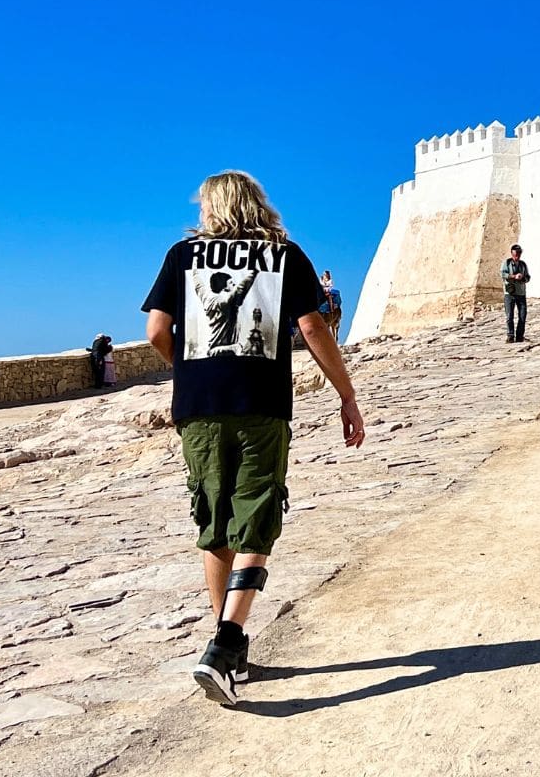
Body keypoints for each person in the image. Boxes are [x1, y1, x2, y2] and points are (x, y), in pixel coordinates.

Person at [142, 170, 365, 707]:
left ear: (210, 207)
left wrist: (192, 373)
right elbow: (313, 329)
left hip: (198, 407)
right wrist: (346, 394)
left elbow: (155, 332)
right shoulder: (284, 256)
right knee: (258, 517)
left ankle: (228, 648)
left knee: (214, 520)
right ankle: (225, 645)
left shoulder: (182, 256)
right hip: (260, 406)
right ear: (257, 203)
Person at [501, 244, 531, 342]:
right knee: (509, 316)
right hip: (509, 294)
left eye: (518, 254)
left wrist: (523, 278)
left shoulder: (523, 264)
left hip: (521, 293)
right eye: (515, 254)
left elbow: (528, 277)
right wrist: (513, 276)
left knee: (522, 316)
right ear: (512, 253)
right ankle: (510, 335)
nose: (516, 256)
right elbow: (502, 274)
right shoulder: (507, 262)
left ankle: (519, 336)